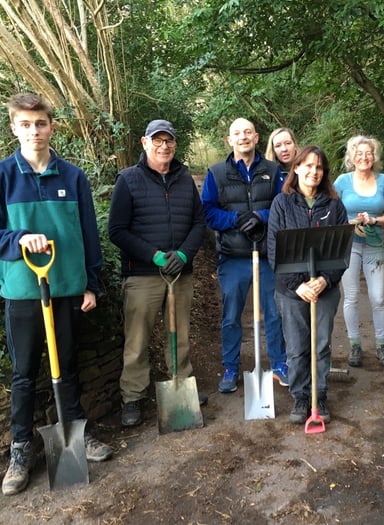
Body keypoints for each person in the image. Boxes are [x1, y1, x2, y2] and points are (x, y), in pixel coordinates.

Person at [0, 93, 112, 496]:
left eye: (41, 123)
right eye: (26, 124)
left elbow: (88, 235)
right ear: (14, 127)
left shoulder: (73, 177)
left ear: (52, 126)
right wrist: (17, 239)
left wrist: (91, 282)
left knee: (68, 366)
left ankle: (76, 435)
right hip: (23, 291)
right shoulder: (3, 177)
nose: (34, 131)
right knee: (25, 374)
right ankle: (21, 449)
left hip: (66, 288)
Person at [108, 119, 207, 426]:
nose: (164, 146)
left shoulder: (183, 179)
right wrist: (153, 256)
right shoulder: (128, 179)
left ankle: (181, 383)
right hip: (142, 275)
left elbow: (199, 223)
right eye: (158, 140)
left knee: (179, 334)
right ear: (145, 142)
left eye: (169, 141)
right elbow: (117, 230)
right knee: (136, 339)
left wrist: (182, 254)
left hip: (180, 272)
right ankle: (133, 397)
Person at [201, 118, 288, 393]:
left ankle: (279, 364)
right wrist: (236, 219)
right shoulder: (216, 173)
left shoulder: (273, 171)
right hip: (233, 257)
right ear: (229, 140)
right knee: (231, 315)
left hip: (267, 256)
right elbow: (207, 211)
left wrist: (261, 216)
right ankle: (230, 366)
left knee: (274, 313)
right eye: (237, 133)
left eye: (247, 132)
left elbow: (283, 206)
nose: (243, 137)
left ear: (257, 137)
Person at [267, 146, 348, 423]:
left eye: (319, 167)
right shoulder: (282, 203)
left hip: (325, 288)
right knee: (298, 347)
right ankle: (301, 398)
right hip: (291, 291)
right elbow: (274, 250)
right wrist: (297, 285)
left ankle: (319, 394)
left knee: (321, 345)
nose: (314, 172)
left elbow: (341, 252)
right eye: (308, 166)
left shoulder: (334, 205)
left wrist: (324, 280)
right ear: (297, 168)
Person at [334, 135, 384, 368]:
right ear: (351, 157)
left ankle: (382, 344)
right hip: (348, 245)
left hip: (375, 244)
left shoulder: (383, 181)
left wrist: (374, 219)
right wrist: (350, 222)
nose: (364, 157)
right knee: (350, 296)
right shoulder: (342, 182)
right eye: (359, 153)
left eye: (368, 153)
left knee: (378, 298)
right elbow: (332, 212)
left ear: (374, 156)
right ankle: (355, 345)